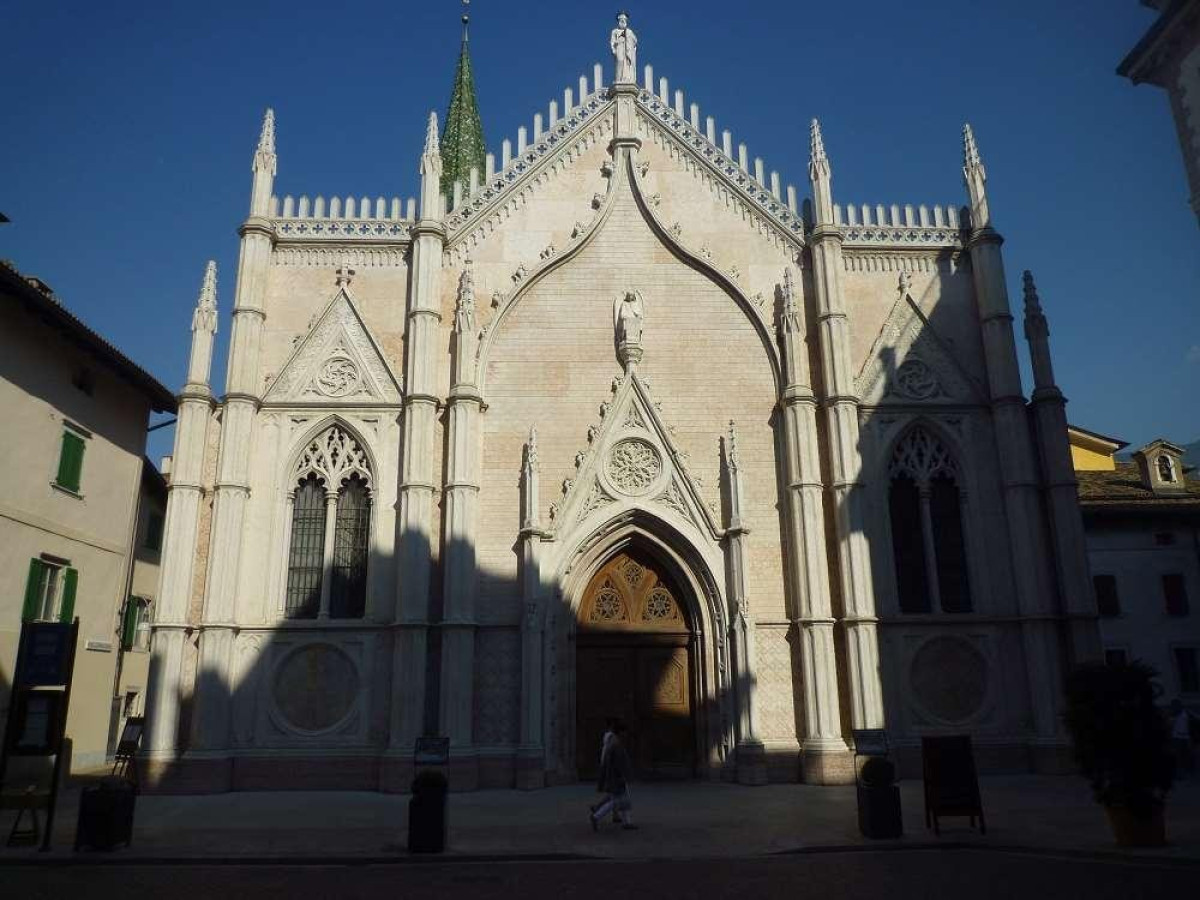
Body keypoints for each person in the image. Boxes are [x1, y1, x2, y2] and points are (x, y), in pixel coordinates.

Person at [590, 720, 636, 831]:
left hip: (614, 777)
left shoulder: (614, 742)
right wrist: (622, 776)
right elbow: (618, 763)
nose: (626, 734)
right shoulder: (616, 744)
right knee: (616, 800)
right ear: (620, 732)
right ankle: (596, 816)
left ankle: (627, 822)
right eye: (625, 732)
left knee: (622, 799)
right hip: (616, 778)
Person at [1170, 699, 1195, 776]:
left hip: (1185, 736)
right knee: (1177, 755)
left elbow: (1193, 718)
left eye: (1177, 705)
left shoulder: (1186, 712)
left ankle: (1184, 771)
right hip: (1176, 737)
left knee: (1186, 754)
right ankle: (1178, 772)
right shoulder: (1173, 714)